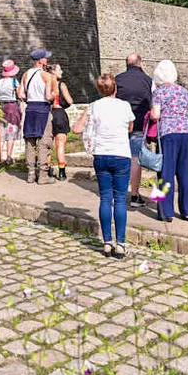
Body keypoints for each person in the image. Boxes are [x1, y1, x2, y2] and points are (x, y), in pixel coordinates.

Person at [73, 73, 134, 259]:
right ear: (115, 88)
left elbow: (76, 128)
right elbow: (130, 127)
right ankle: (121, 244)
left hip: (101, 154)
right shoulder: (124, 106)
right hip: (121, 154)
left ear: (99, 89)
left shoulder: (93, 106)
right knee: (121, 198)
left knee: (106, 198)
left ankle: (107, 242)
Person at [150, 60, 188, 223]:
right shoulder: (184, 91)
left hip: (168, 134)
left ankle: (166, 212)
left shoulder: (159, 92)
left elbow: (155, 115)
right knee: (186, 173)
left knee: (165, 173)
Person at [115, 52, 153, 207]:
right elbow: (153, 103)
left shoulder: (118, 79)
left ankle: (117, 193)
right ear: (140, 63)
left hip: (120, 124)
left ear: (126, 64)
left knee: (119, 158)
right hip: (139, 123)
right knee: (135, 159)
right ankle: (135, 196)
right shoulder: (148, 80)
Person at [18, 48, 55, 184]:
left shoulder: (25, 74)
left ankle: (31, 173)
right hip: (43, 108)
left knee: (30, 141)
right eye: (45, 58)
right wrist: (53, 96)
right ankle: (43, 175)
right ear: (40, 61)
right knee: (44, 141)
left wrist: (30, 97)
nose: (47, 60)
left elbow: (21, 94)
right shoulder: (47, 76)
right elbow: (48, 96)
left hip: (30, 108)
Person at [45, 63, 74, 181]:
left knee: (47, 144)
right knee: (60, 144)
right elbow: (70, 101)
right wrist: (63, 104)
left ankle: (47, 169)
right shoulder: (61, 85)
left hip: (48, 113)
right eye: (59, 69)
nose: (61, 72)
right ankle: (62, 172)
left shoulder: (45, 84)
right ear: (53, 72)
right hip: (59, 113)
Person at [0, 60, 22, 165]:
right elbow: (20, 95)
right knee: (11, 132)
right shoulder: (14, 81)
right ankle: (9, 157)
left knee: (2, 133)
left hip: (2, 107)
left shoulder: (0, 82)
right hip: (12, 106)